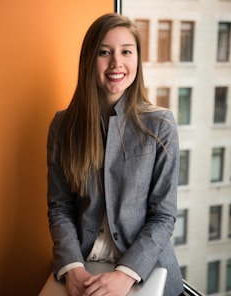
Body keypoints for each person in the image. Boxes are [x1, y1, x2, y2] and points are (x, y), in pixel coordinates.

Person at [47, 13, 184, 296]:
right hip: (82, 267)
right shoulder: (62, 126)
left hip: (145, 272)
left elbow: (163, 216)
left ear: (137, 60)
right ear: (89, 60)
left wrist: (125, 275)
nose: (116, 63)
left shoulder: (161, 126)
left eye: (126, 52)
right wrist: (72, 268)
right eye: (104, 52)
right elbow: (60, 207)